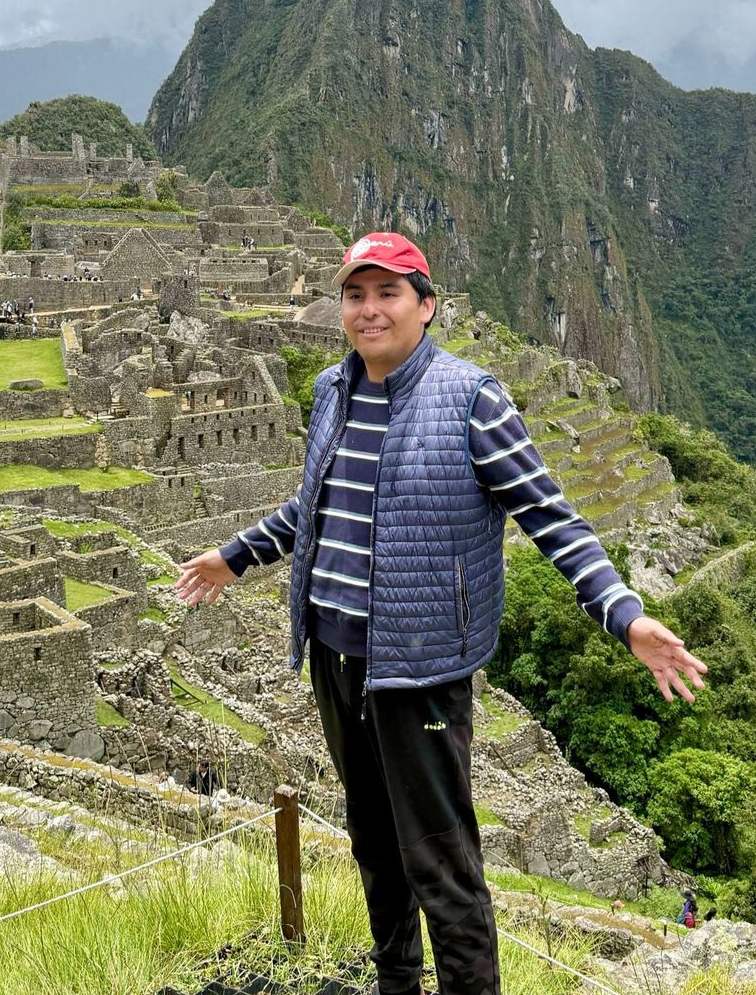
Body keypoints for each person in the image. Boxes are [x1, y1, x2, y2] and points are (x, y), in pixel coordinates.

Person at [177, 232, 707, 995]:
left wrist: (624, 616)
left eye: (387, 293)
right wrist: (235, 556)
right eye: (355, 295)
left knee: (441, 860)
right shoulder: (332, 390)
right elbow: (315, 505)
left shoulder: (470, 399)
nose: (369, 309)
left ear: (425, 306)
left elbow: (551, 517)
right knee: (373, 841)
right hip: (333, 653)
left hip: (419, 667)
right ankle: (396, 983)